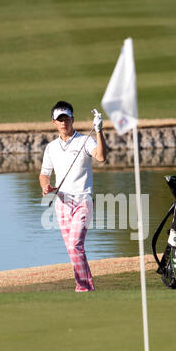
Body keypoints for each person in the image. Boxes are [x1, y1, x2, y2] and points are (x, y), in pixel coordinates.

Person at [39, 101, 108, 292]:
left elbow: (101, 157)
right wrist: (46, 186)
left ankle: (84, 287)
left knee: (75, 244)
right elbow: (44, 173)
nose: (63, 123)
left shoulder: (86, 140)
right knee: (72, 249)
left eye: (66, 119)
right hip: (62, 202)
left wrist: (99, 131)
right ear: (54, 122)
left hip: (83, 200)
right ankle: (85, 286)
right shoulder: (51, 147)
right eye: (59, 120)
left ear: (72, 119)